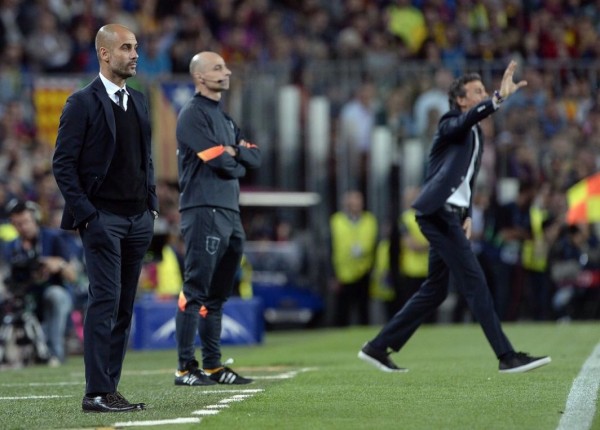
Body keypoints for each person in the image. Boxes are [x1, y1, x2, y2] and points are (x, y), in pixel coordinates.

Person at [358, 60, 551, 374]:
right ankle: (507, 356)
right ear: (461, 100)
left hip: (450, 215)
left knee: (435, 289)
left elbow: (467, 181)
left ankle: (378, 347)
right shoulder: (450, 122)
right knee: (475, 283)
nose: (483, 94)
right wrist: (498, 99)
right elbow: (465, 123)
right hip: (436, 213)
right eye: (476, 92)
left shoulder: (476, 134)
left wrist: (469, 213)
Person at [53, 24, 158, 412]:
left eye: (136, 47)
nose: (135, 54)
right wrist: (88, 216)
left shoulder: (140, 101)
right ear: (104, 53)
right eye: (127, 48)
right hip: (104, 219)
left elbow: (146, 159)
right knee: (104, 301)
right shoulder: (81, 102)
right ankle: (95, 392)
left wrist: (151, 204)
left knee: (124, 307)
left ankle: (109, 388)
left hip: (137, 220)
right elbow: (63, 165)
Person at [174, 51, 261, 386]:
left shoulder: (224, 119)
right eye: (217, 68)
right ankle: (184, 367)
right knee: (195, 289)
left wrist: (233, 152)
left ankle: (212, 365)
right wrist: (231, 156)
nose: (226, 72)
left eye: (225, 66)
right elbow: (218, 161)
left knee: (218, 295)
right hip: (203, 209)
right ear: (199, 77)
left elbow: (253, 157)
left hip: (229, 212)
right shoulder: (192, 115)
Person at [3, 199, 76, 366]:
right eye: (17, 223)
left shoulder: (53, 238)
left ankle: (54, 354)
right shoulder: (11, 247)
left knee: (54, 295)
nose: (23, 227)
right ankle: (10, 356)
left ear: (35, 219)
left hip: (53, 294)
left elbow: (73, 276)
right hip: (25, 295)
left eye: (26, 222)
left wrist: (59, 264)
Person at [329, 190, 378, 326]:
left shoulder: (369, 220)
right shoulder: (336, 221)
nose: (356, 204)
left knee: (364, 310)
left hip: (364, 270)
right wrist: (332, 274)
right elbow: (330, 248)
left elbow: (374, 245)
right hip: (343, 272)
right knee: (342, 311)